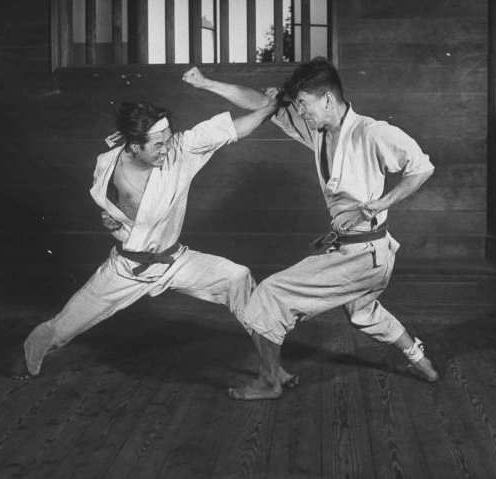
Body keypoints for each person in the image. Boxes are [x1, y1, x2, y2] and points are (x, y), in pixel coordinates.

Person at [11, 75, 298, 387]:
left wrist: (269, 109)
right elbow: (109, 204)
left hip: (174, 260)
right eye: (158, 143)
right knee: (61, 328)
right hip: (127, 268)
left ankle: (272, 371)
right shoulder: (108, 164)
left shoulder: (179, 150)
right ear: (134, 146)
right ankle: (30, 353)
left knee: (237, 277)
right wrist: (112, 220)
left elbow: (231, 130)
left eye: (169, 138)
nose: (167, 147)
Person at [183, 59, 440, 400]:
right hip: (361, 254)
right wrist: (207, 84)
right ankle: (420, 361)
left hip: (364, 255)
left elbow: (421, 167)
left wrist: (381, 203)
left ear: (328, 100)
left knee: (271, 295)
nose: (300, 111)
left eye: (304, 104)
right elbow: (264, 103)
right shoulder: (317, 130)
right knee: (362, 312)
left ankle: (270, 382)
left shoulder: (371, 132)